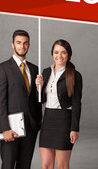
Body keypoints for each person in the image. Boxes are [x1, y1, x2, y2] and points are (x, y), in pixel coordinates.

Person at [0, 29, 42, 169]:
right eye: (19, 43)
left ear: (29, 45)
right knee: (8, 165)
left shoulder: (34, 69)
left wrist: (37, 122)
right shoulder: (2, 69)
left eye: (25, 43)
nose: (22, 46)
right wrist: (4, 128)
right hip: (11, 128)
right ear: (12, 45)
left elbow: (36, 99)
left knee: (25, 165)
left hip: (31, 128)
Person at [35, 39, 82, 169]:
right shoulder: (45, 72)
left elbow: (76, 103)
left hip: (64, 121)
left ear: (68, 55)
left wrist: (74, 128)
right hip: (48, 119)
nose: (59, 56)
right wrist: (39, 88)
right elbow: (42, 100)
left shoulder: (74, 75)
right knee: (46, 166)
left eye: (63, 52)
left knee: (62, 166)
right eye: (56, 52)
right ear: (52, 54)